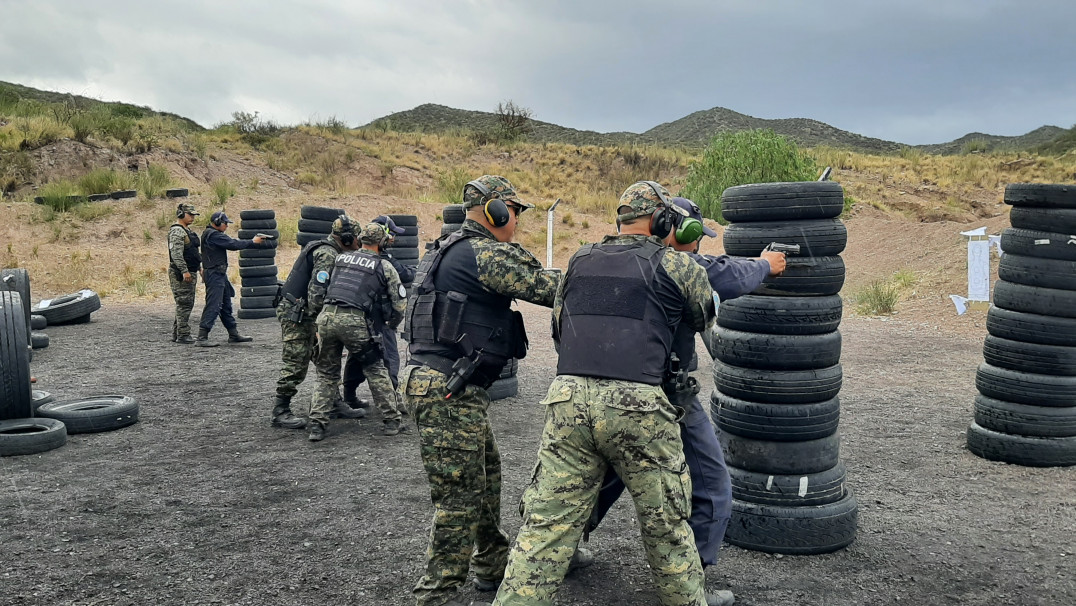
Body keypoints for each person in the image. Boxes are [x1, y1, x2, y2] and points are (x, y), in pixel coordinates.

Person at [491, 182, 715, 606]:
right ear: (664, 220)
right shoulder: (679, 266)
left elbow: (560, 327)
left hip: (568, 399)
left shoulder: (579, 259)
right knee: (667, 527)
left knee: (544, 530)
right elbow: (701, 314)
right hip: (639, 405)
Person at [583, 195, 787, 606]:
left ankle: (562, 546)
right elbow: (727, 274)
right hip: (665, 396)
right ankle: (690, 586)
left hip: (602, 392)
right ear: (675, 230)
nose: (699, 244)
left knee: (597, 480)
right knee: (712, 486)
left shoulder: (604, 260)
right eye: (695, 235)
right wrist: (768, 264)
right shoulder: (677, 266)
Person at [401, 175, 560, 606]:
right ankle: (435, 592)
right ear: (496, 210)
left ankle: (492, 563)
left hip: (442, 384)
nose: (517, 220)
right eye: (515, 210)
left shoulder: (446, 248)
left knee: (485, 476)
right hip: (446, 389)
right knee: (458, 499)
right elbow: (552, 289)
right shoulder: (485, 253)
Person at [307, 222, 409, 442]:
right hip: (354, 321)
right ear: (381, 243)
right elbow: (400, 303)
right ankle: (391, 421)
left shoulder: (339, 258)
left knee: (326, 373)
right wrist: (392, 323)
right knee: (375, 369)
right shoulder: (383, 265)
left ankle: (317, 425)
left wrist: (317, 316)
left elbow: (318, 288)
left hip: (326, 317)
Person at [270, 215, 367, 430]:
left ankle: (333, 403)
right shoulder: (327, 254)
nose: (359, 242)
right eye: (357, 238)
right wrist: (319, 326)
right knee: (296, 362)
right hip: (299, 316)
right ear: (348, 238)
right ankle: (280, 410)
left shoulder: (326, 248)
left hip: (304, 313)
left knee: (326, 360)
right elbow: (316, 295)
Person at [340, 214, 416, 407]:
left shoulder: (353, 257)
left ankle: (349, 395)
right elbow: (404, 275)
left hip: (358, 316)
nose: (393, 239)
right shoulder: (382, 259)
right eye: (390, 235)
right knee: (389, 356)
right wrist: (393, 323)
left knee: (357, 356)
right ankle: (392, 401)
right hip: (379, 317)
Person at [195, 211, 273, 347]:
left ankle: (233, 333)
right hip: (214, 274)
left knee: (225, 305)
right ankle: (202, 336)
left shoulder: (212, 234)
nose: (227, 226)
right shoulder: (213, 235)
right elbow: (233, 244)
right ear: (218, 223)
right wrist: (252, 242)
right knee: (214, 304)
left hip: (218, 274)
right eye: (225, 223)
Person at [167, 203, 202, 344]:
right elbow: (176, 255)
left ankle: (178, 333)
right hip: (182, 273)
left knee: (185, 303)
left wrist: (198, 267)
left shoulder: (186, 231)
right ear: (181, 214)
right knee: (184, 303)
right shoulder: (177, 232)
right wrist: (184, 271)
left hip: (189, 271)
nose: (192, 217)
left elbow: (192, 252)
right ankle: (183, 334)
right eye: (190, 214)